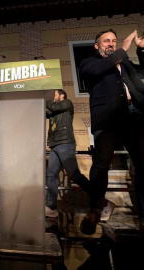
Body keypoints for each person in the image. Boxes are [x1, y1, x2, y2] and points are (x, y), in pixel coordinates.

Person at [79, 29, 144, 235]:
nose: (111, 43)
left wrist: (141, 51)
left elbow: (141, 76)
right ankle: (95, 209)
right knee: (101, 163)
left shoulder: (124, 63)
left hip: (132, 115)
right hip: (107, 117)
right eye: (107, 41)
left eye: (114, 41)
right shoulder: (89, 62)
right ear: (97, 45)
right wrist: (125, 48)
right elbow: (96, 70)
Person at [45, 89, 91, 217]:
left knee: (74, 175)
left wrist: (43, 100)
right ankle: (51, 207)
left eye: (54, 94)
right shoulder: (54, 111)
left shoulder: (67, 103)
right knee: (51, 174)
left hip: (65, 143)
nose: (52, 97)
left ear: (62, 95)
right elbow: (46, 112)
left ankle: (99, 199)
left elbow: (52, 106)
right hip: (54, 145)